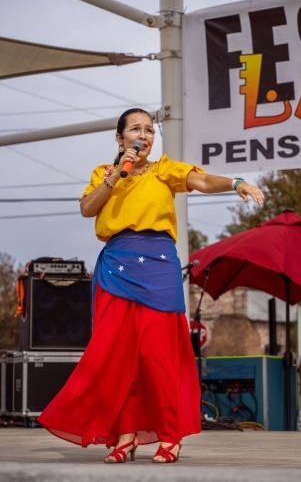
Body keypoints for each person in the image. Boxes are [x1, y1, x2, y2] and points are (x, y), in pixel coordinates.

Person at [38, 108, 264, 463]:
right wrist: (115, 175)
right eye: (135, 129)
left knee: (158, 356)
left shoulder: (163, 170)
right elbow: (87, 209)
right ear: (120, 138)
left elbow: (201, 181)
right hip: (117, 265)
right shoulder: (104, 173)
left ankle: (170, 435)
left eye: (149, 129)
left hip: (157, 263)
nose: (144, 134)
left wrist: (236, 183)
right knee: (116, 356)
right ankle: (125, 435)